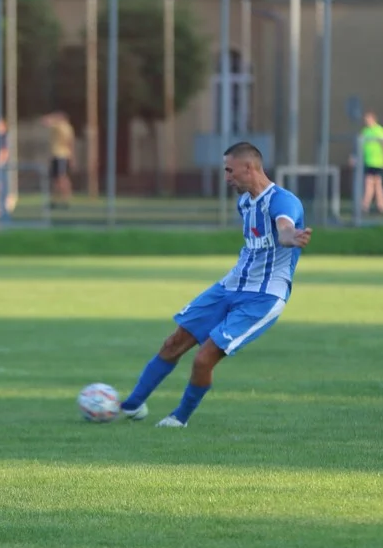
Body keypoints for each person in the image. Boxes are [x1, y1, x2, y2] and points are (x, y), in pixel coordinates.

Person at [118, 142, 311, 428]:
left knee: (203, 357)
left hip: (264, 297)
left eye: (229, 170)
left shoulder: (283, 201)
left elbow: (284, 227)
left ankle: (179, 418)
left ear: (249, 167)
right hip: (230, 286)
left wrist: (290, 237)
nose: (227, 178)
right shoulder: (245, 202)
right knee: (173, 343)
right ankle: (130, 406)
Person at [354, 111, 383, 215]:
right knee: (375, 184)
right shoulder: (365, 131)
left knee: (371, 183)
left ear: (373, 119)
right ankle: (380, 206)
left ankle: (366, 205)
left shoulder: (379, 130)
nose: (366, 121)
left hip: (378, 162)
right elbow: (360, 147)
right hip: (369, 161)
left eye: (368, 119)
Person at [42, 111, 74, 208]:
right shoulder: (60, 127)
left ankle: (66, 198)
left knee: (61, 177)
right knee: (56, 179)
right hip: (56, 155)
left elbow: (45, 121)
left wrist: (72, 157)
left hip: (61, 155)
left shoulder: (63, 127)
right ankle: (55, 200)